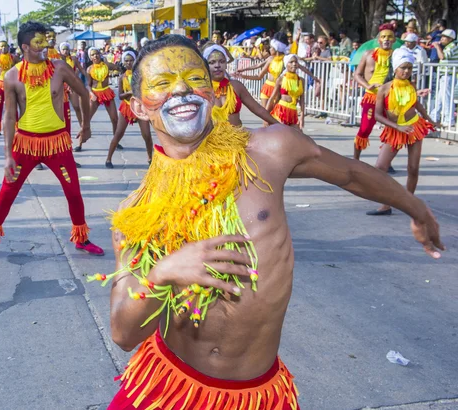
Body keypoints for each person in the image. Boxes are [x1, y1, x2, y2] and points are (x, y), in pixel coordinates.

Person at [89, 35, 444, 410]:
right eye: (162, 84)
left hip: (259, 396)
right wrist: (161, 274)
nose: (181, 90)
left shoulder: (270, 149)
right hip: (168, 388)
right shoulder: (138, 212)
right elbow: (124, 334)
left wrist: (416, 209)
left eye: (194, 77)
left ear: (213, 91)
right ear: (139, 108)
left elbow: (352, 175)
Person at [0, 22, 104, 262]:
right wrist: (7, 155)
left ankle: (81, 239)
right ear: (25, 47)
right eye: (38, 42)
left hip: (58, 145)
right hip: (25, 145)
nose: (45, 46)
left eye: (46, 41)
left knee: (73, 192)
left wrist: (86, 125)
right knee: (7, 192)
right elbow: (10, 117)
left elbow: (83, 93)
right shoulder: (12, 76)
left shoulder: (60, 68)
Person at [367, 49, 440, 215]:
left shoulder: (411, 86)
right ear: (395, 68)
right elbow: (378, 115)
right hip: (395, 130)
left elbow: (416, 104)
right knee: (380, 167)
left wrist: (429, 119)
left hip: (414, 128)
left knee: (413, 168)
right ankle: (386, 203)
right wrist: (397, 127)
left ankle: (409, 203)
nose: (406, 71)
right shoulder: (384, 89)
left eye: (409, 68)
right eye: (403, 67)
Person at [202, 43, 277, 127]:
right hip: (211, 138)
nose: (217, 66)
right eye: (212, 62)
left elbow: (258, 110)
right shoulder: (201, 90)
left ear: (226, 64)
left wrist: (278, 124)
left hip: (237, 137)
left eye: (222, 61)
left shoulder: (236, 86)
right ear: (205, 66)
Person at [353, 23, 396, 160]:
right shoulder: (368, 54)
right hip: (372, 97)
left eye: (390, 37)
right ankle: (355, 160)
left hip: (390, 98)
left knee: (392, 130)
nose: (386, 39)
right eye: (383, 37)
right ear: (378, 40)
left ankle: (385, 162)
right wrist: (368, 85)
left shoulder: (397, 56)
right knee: (365, 129)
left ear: (394, 40)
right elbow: (357, 74)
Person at [105, 50, 152, 168]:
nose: (129, 63)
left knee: (146, 134)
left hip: (140, 106)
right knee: (118, 133)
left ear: (135, 61)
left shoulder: (141, 75)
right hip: (126, 106)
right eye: (126, 61)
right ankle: (108, 159)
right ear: (123, 63)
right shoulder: (122, 77)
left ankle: (150, 158)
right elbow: (120, 95)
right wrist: (130, 93)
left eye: (131, 60)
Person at [74, 47, 119, 151]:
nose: (95, 56)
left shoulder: (107, 65)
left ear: (100, 54)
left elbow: (117, 67)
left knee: (114, 119)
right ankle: (80, 143)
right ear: (90, 57)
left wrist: (120, 67)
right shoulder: (89, 69)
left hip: (107, 92)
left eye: (97, 53)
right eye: (93, 55)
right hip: (95, 94)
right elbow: (88, 85)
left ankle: (116, 141)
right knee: (86, 120)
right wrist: (91, 94)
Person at [267, 54, 305, 129]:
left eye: (295, 62)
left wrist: (302, 117)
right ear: (286, 64)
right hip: (281, 111)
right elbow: (272, 98)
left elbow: (302, 100)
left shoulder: (301, 80)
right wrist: (265, 115)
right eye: (291, 62)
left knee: (297, 136)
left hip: (293, 112)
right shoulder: (281, 79)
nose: (294, 64)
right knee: (281, 134)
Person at [430, 29, 458, 127]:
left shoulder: (452, 46)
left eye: (444, 37)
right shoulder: (448, 46)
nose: (441, 39)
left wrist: (437, 46)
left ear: (450, 39)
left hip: (448, 75)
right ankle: (433, 117)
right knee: (440, 98)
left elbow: (442, 57)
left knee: (446, 98)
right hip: (444, 75)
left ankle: (449, 120)